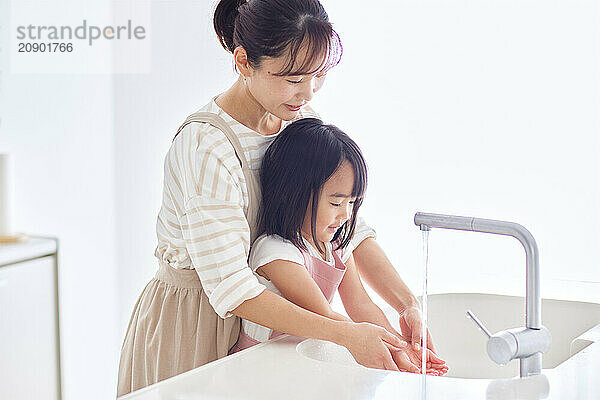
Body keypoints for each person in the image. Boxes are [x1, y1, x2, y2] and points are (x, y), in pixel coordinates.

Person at [117, 0, 439, 396]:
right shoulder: (207, 148)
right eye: (292, 78)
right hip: (199, 323)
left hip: (268, 323)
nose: (307, 92)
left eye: (318, 74)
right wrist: (347, 334)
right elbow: (233, 288)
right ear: (243, 61)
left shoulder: (295, 117)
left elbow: (349, 230)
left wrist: (407, 305)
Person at [228, 118, 448, 375]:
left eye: (353, 203)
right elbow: (326, 316)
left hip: (301, 363)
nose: (345, 214)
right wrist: (396, 354)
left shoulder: (335, 245)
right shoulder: (276, 253)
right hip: (260, 370)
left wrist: (404, 348)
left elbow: (361, 306)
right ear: (295, 194)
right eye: (336, 203)